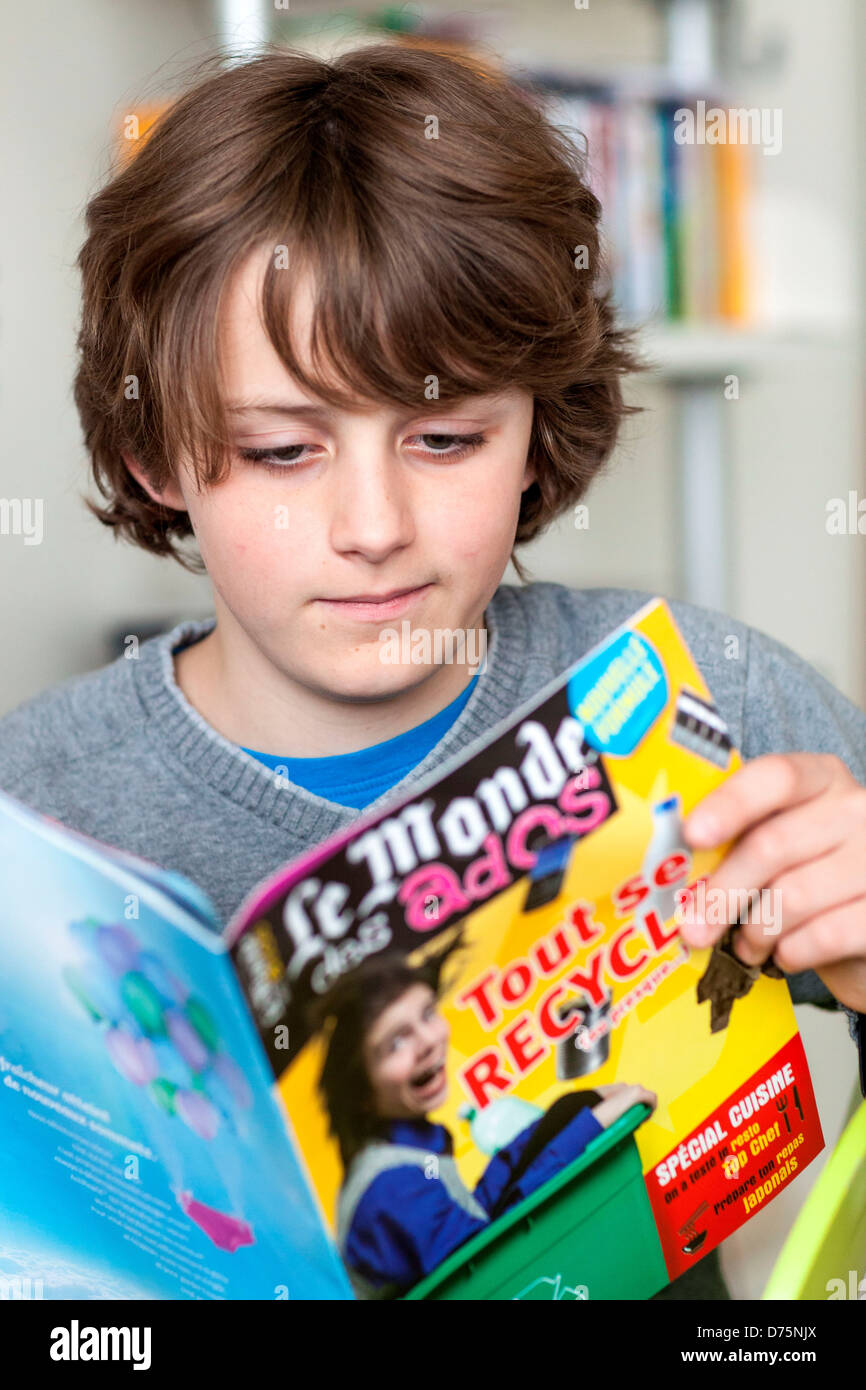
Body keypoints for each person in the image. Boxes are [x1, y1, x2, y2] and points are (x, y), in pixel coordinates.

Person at [0, 43, 864, 1301]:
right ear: (154, 457)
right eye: (281, 449)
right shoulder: (35, 810)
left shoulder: (714, 698)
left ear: (534, 430)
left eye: (445, 436)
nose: (372, 524)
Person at [315, 952, 656, 1300]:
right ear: (362, 1095)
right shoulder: (394, 1187)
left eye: (428, 1014)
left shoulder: (404, 1143)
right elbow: (491, 1266)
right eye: (397, 1043)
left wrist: (573, 1110)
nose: (428, 1042)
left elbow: (474, 1211)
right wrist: (587, 1130)